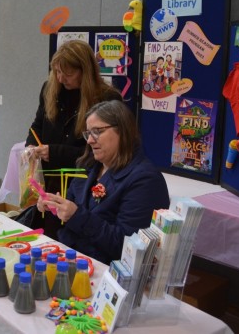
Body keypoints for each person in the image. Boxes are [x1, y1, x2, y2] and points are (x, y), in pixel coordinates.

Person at [37, 100, 170, 264]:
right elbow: (70, 216)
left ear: (122, 130)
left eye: (97, 131)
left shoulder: (145, 180)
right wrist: (54, 206)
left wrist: (76, 215)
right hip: (70, 256)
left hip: (106, 271)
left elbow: (128, 247)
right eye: (88, 134)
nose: (89, 141)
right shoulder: (87, 164)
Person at [25, 40, 122, 239]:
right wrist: (30, 146)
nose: (61, 79)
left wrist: (55, 152)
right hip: (51, 179)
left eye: (68, 74)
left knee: (71, 238)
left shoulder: (106, 98)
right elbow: (37, 125)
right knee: (46, 235)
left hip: (85, 184)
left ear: (85, 71)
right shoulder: (49, 88)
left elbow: (102, 152)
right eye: (57, 72)